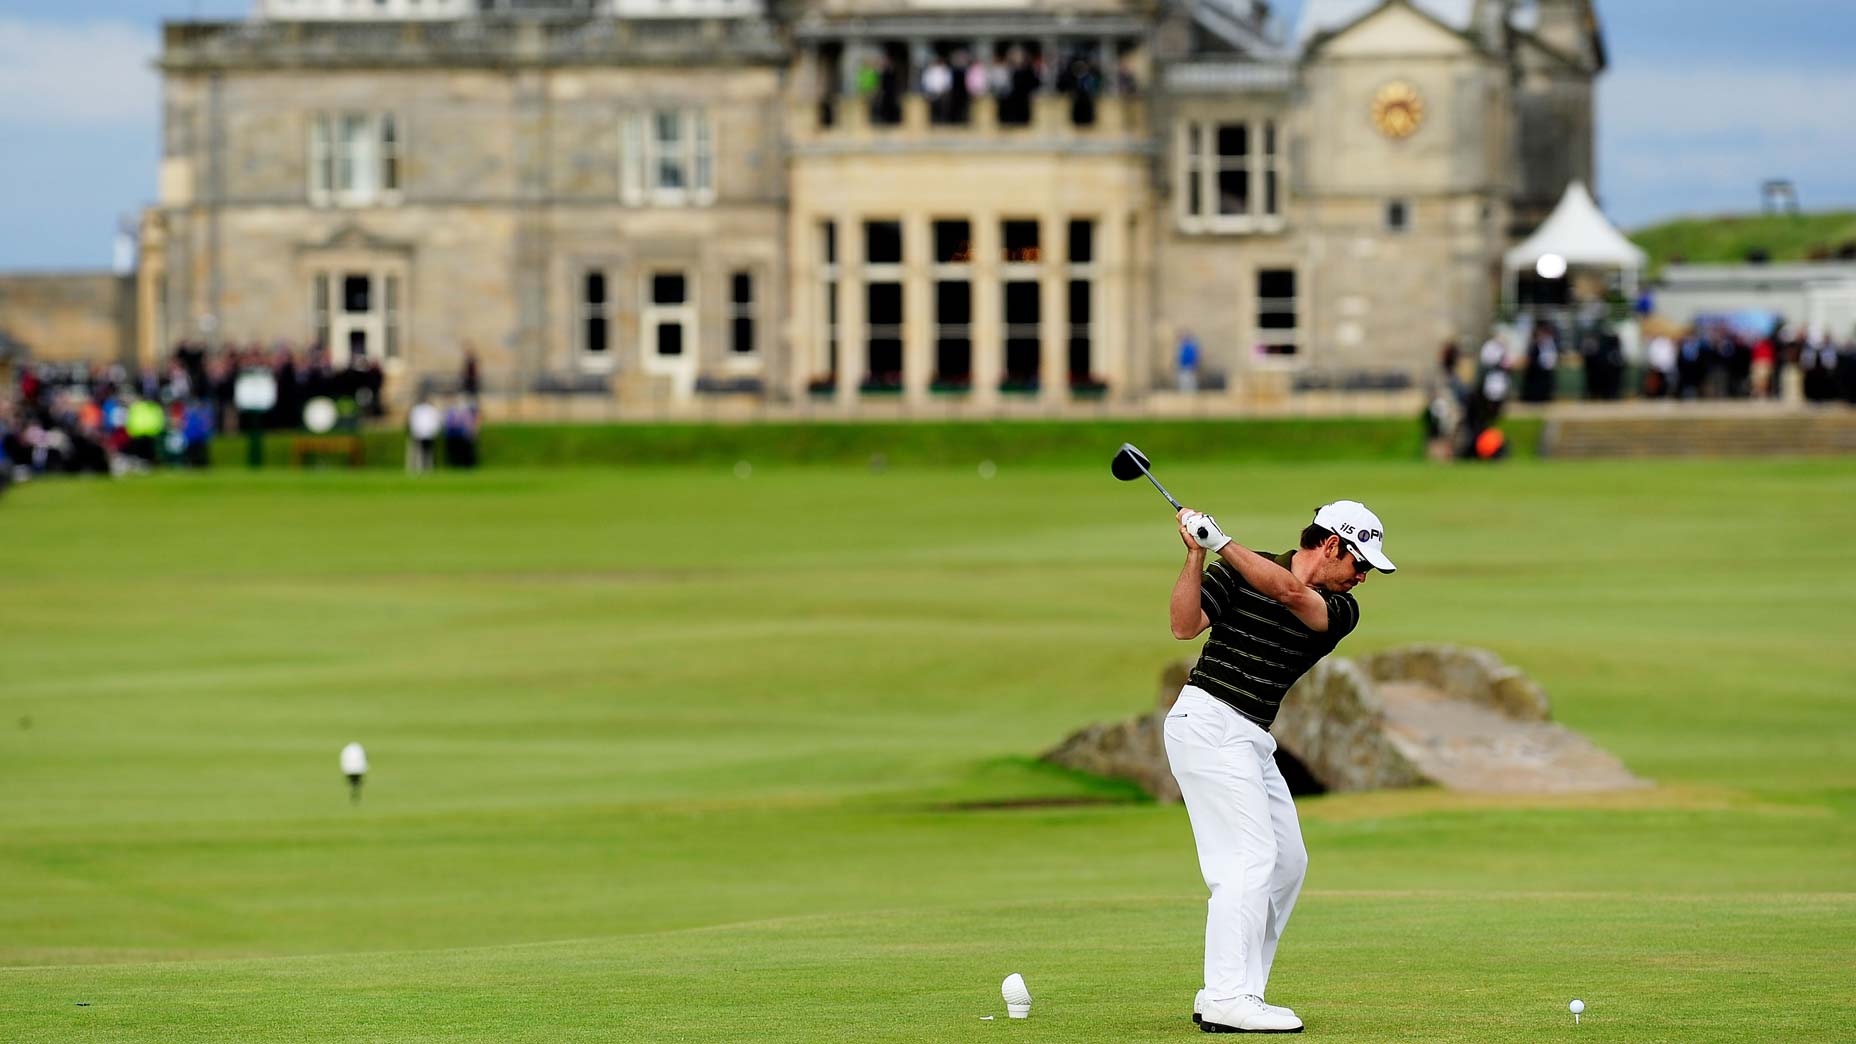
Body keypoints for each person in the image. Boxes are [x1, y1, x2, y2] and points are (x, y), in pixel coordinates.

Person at [1164, 500, 1396, 1034]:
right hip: (1207, 721)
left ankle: (1238, 988)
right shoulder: (1240, 569)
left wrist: (1222, 542)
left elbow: (1290, 593)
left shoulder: (1339, 609)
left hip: (1248, 737)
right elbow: (1183, 626)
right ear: (1332, 545)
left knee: (1287, 863)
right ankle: (1227, 996)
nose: (1364, 577)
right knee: (1248, 859)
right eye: (1360, 563)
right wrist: (1198, 555)